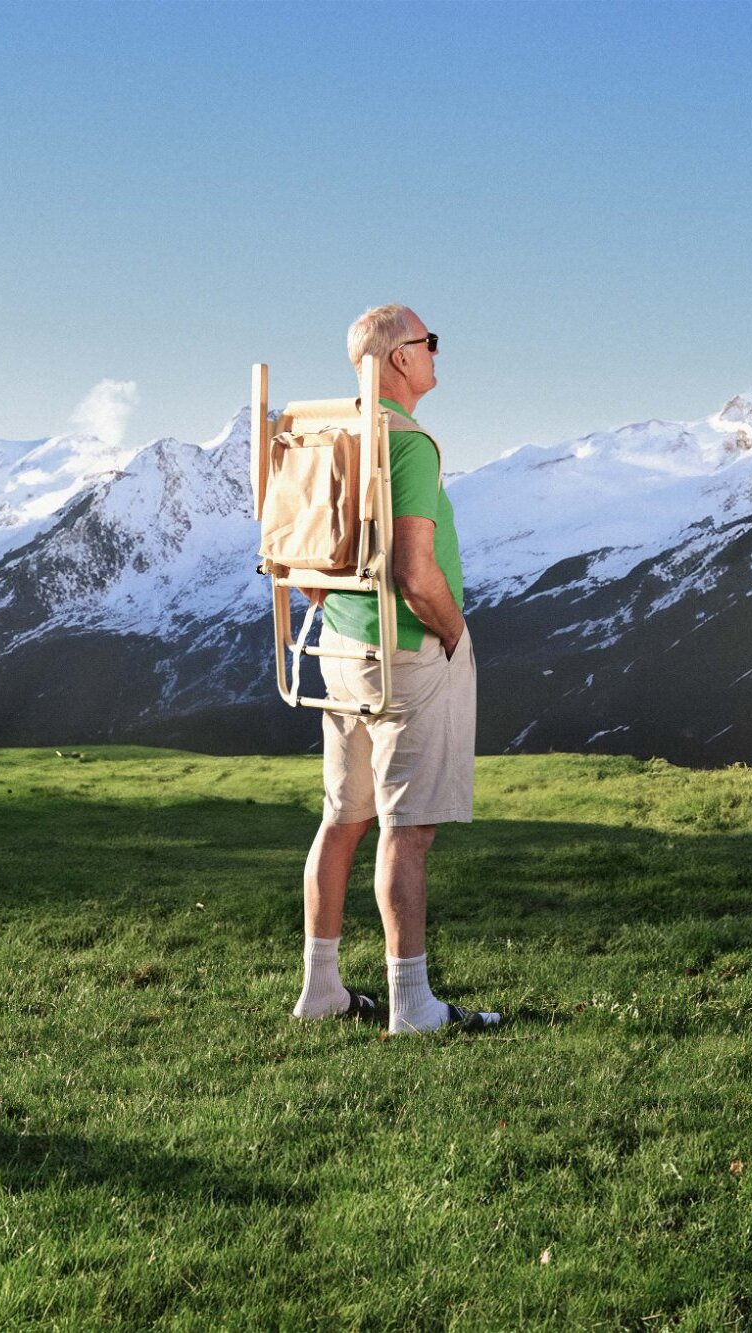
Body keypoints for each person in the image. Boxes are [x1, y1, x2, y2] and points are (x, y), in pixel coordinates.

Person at [289, 304, 500, 1034]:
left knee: (341, 819)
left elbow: (302, 557)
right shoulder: (406, 443)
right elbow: (415, 569)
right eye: (428, 341)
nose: (437, 351)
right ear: (399, 359)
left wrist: (342, 609)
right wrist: (452, 629)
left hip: (340, 649)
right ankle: (412, 1005)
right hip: (409, 653)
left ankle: (321, 988)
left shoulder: (326, 435)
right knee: (406, 830)